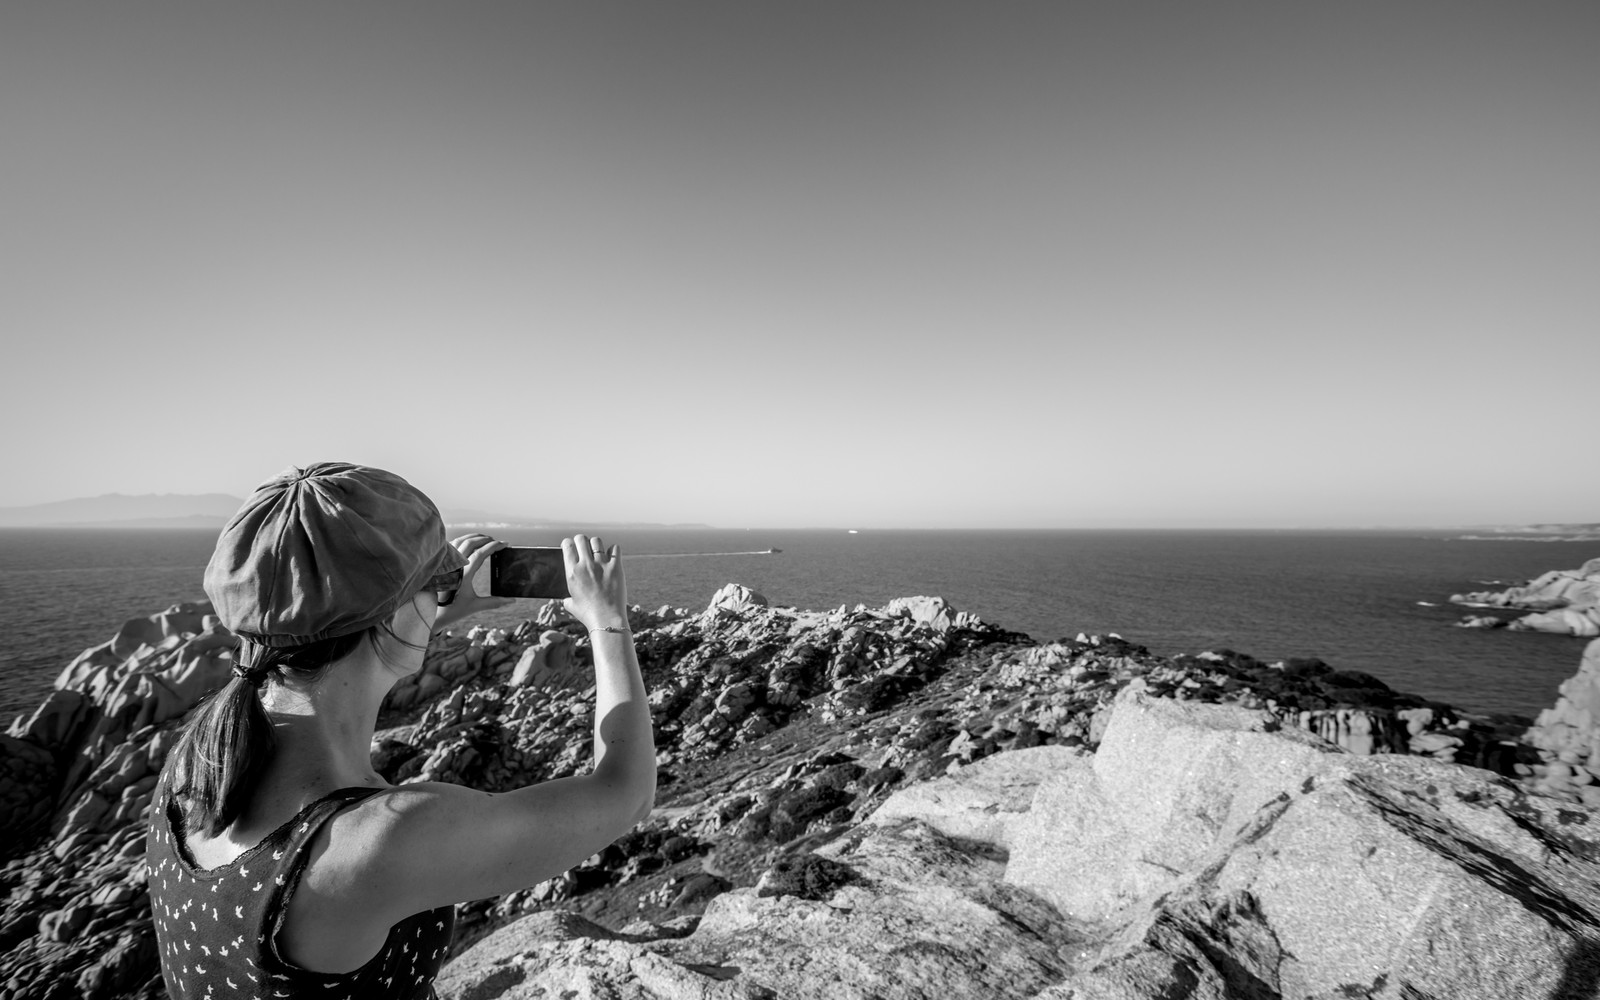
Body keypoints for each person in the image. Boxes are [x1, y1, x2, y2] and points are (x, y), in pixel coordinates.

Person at [144, 462, 655, 999]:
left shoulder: (196, 760)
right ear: (389, 616)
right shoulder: (382, 842)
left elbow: (340, 655)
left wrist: (422, 604)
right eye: (433, 583)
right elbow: (628, 794)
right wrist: (607, 621)